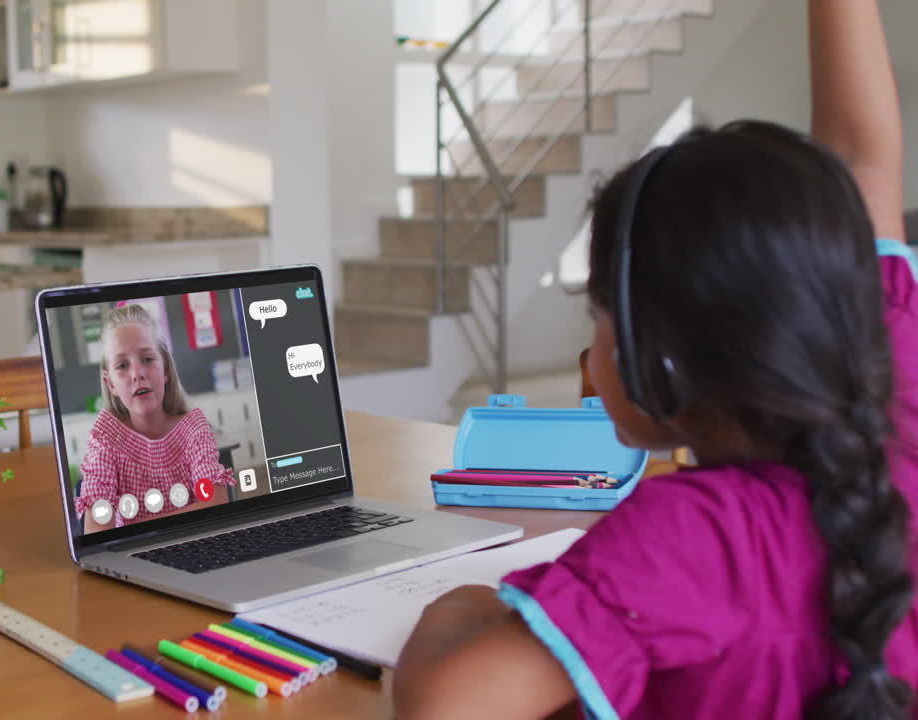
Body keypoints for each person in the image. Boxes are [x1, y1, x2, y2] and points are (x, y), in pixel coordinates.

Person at [393, 1, 918, 718]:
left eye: (598, 311)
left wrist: (460, 605)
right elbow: (863, 158)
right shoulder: (897, 378)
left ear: (657, 354)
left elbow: (445, 708)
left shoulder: (691, 535)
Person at [75, 303, 234, 533]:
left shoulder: (193, 428)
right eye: (122, 365)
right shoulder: (104, 438)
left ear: (166, 370)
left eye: (147, 359)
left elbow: (215, 504)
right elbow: (97, 532)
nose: (137, 373)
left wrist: (133, 527)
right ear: (111, 384)